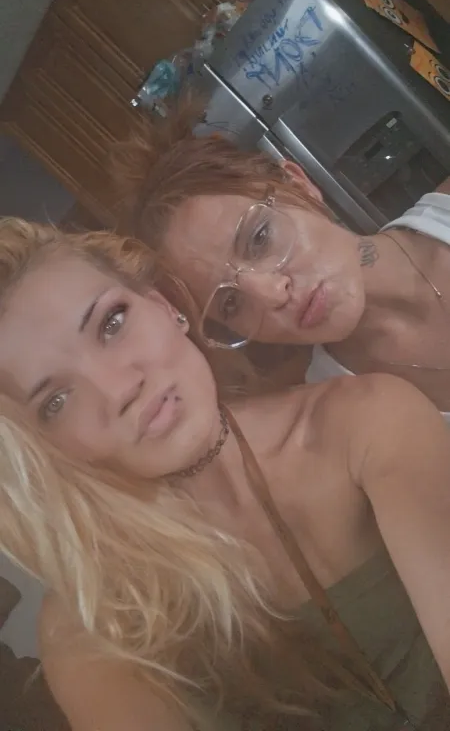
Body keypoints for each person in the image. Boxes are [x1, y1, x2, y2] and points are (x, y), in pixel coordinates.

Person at [1, 218, 450, 731]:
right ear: (46, 449)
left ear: (165, 307)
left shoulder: (365, 421)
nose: (120, 387)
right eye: (56, 401)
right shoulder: (93, 628)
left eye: (112, 323)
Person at [112, 101, 450, 414]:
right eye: (231, 303)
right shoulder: (339, 419)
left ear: (300, 186)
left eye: (259, 239)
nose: (272, 294)